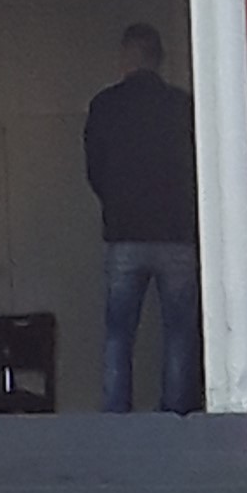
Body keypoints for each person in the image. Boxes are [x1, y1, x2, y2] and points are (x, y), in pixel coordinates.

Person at [84, 22, 201, 415]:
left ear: (125, 57)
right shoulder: (182, 106)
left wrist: (116, 203)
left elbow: (94, 169)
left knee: (119, 333)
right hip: (176, 232)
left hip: (125, 233)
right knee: (179, 333)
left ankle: (117, 415)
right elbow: (198, 165)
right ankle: (177, 415)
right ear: (159, 59)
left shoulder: (105, 106)